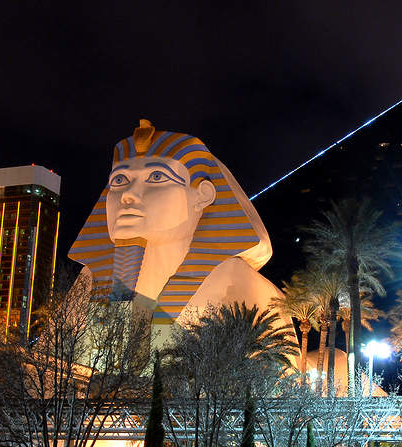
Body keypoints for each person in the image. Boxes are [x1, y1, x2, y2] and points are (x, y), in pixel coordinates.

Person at [69, 120, 287, 343]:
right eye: (119, 180)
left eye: (156, 176)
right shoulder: (91, 280)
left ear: (203, 195)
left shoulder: (242, 283)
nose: (127, 195)